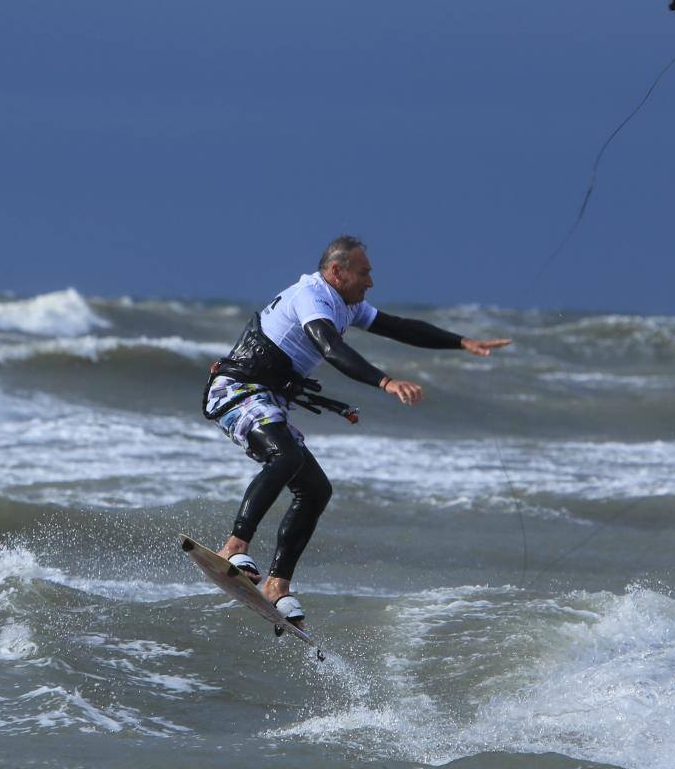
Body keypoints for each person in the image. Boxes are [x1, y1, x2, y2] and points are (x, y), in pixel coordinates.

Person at [201, 235, 511, 625]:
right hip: (238, 391)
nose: (370, 282)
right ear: (337, 271)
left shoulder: (347, 305)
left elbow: (399, 327)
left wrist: (462, 341)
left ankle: (277, 585)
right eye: (364, 273)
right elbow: (329, 348)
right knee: (286, 455)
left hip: (268, 398)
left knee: (315, 489)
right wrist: (385, 382)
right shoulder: (311, 296)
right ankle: (234, 547)